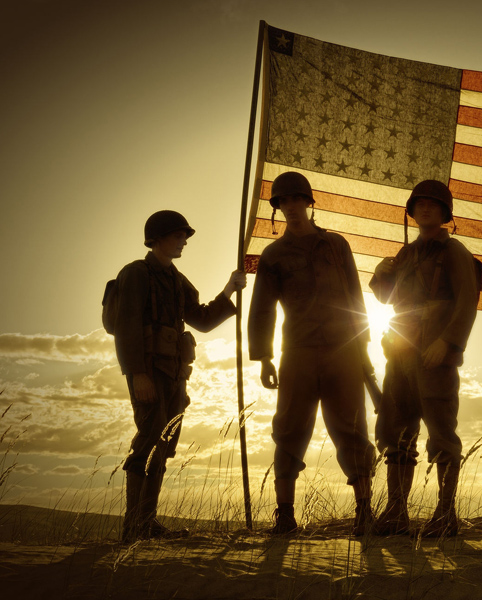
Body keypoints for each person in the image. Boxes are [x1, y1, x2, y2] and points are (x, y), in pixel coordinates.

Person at [248, 171, 376, 536]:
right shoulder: (273, 254)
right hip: (298, 353)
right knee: (289, 430)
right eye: (283, 202)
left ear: (308, 202)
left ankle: (364, 511)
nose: (290, 207)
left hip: (343, 351)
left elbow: (355, 299)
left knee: (352, 429)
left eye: (296, 200)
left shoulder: (337, 246)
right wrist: (264, 356)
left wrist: (363, 349)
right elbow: (263, 309)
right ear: (278, 208)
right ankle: (285, 515)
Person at [113, 210, 245, 543]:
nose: (183, 240)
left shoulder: (176, 279)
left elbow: (200, 319)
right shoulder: (136, 273)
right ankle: (134, 527)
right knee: (148, 438)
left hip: (174, 373)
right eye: (177, 235)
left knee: (164, 443)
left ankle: (146, 522)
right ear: (156, 238)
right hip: (148, 372)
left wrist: (229, 289)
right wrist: (137, 374)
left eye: (185, 236)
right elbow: (126, 327)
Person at [368, 180, 479, 537]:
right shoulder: (406, 255)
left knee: (442, 435)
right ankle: (396, 512)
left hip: (434, 355)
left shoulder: (454, 252)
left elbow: (467, 300)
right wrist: (379, 277)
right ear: (412, 211)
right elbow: (388, 300)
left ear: (445, 212)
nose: (426, 209)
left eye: (434, 204)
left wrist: (447, 342)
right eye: (420, 204)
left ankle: (446, 515)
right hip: (400, 354)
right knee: (396, 432)